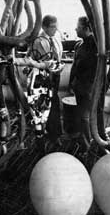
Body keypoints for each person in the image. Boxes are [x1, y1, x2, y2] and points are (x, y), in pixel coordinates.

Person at [28, 15, 64, 145]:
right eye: (52, 27)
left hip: (55, 75)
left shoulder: (56, 37)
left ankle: (51, 132)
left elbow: (58, 54)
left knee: (52, 102)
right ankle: (52, 135)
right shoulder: (38, 41)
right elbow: (34, 60)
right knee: (50, 104)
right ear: (44, 27)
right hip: (44, 77)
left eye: (56, 26)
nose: (55, 29)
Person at [69, 16, 98, 150]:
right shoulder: (78, 45)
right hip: (79, 86)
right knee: (81, 116)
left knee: (84, 117)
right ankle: (83, 140)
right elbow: (74, 66)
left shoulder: (96, 46)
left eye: (78, 27)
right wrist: (71, 83)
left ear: (87, 29)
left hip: (89, 88)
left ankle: (87, 147)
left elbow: (95, 69)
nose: (75, 29)